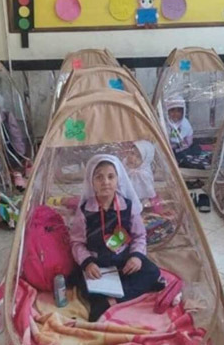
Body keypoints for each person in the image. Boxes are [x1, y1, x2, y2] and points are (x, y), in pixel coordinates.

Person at [69, 154, 164, 321]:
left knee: (151, 271)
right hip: (98, 264)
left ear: (118, 180)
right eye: (99, 177)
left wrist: (136, 257)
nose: (105, 181)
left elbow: (139, 236)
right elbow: (77, 242)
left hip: (123, 261)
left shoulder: (128, 207)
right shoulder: (85, 211)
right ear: (92, 183)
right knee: (80, 280)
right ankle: (118, 293)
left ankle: (110, 300)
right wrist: (88, 263)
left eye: (110, 176)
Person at [0, 90, 29, 191]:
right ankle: (5, 178)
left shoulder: (7, 116)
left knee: (14, 162)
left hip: (11, 146)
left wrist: (20, 150)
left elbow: (15, 133)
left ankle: (18, 177)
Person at [166, 97, 199, 162]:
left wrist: (181, 146)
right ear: (167, 111)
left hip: (182, 147)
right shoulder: (164, 123)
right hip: (167, 148)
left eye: (179, 111)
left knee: (196, 149)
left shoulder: (185, 124)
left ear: (183, 112)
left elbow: (188, 141)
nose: (175, 114)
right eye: (172, 110)